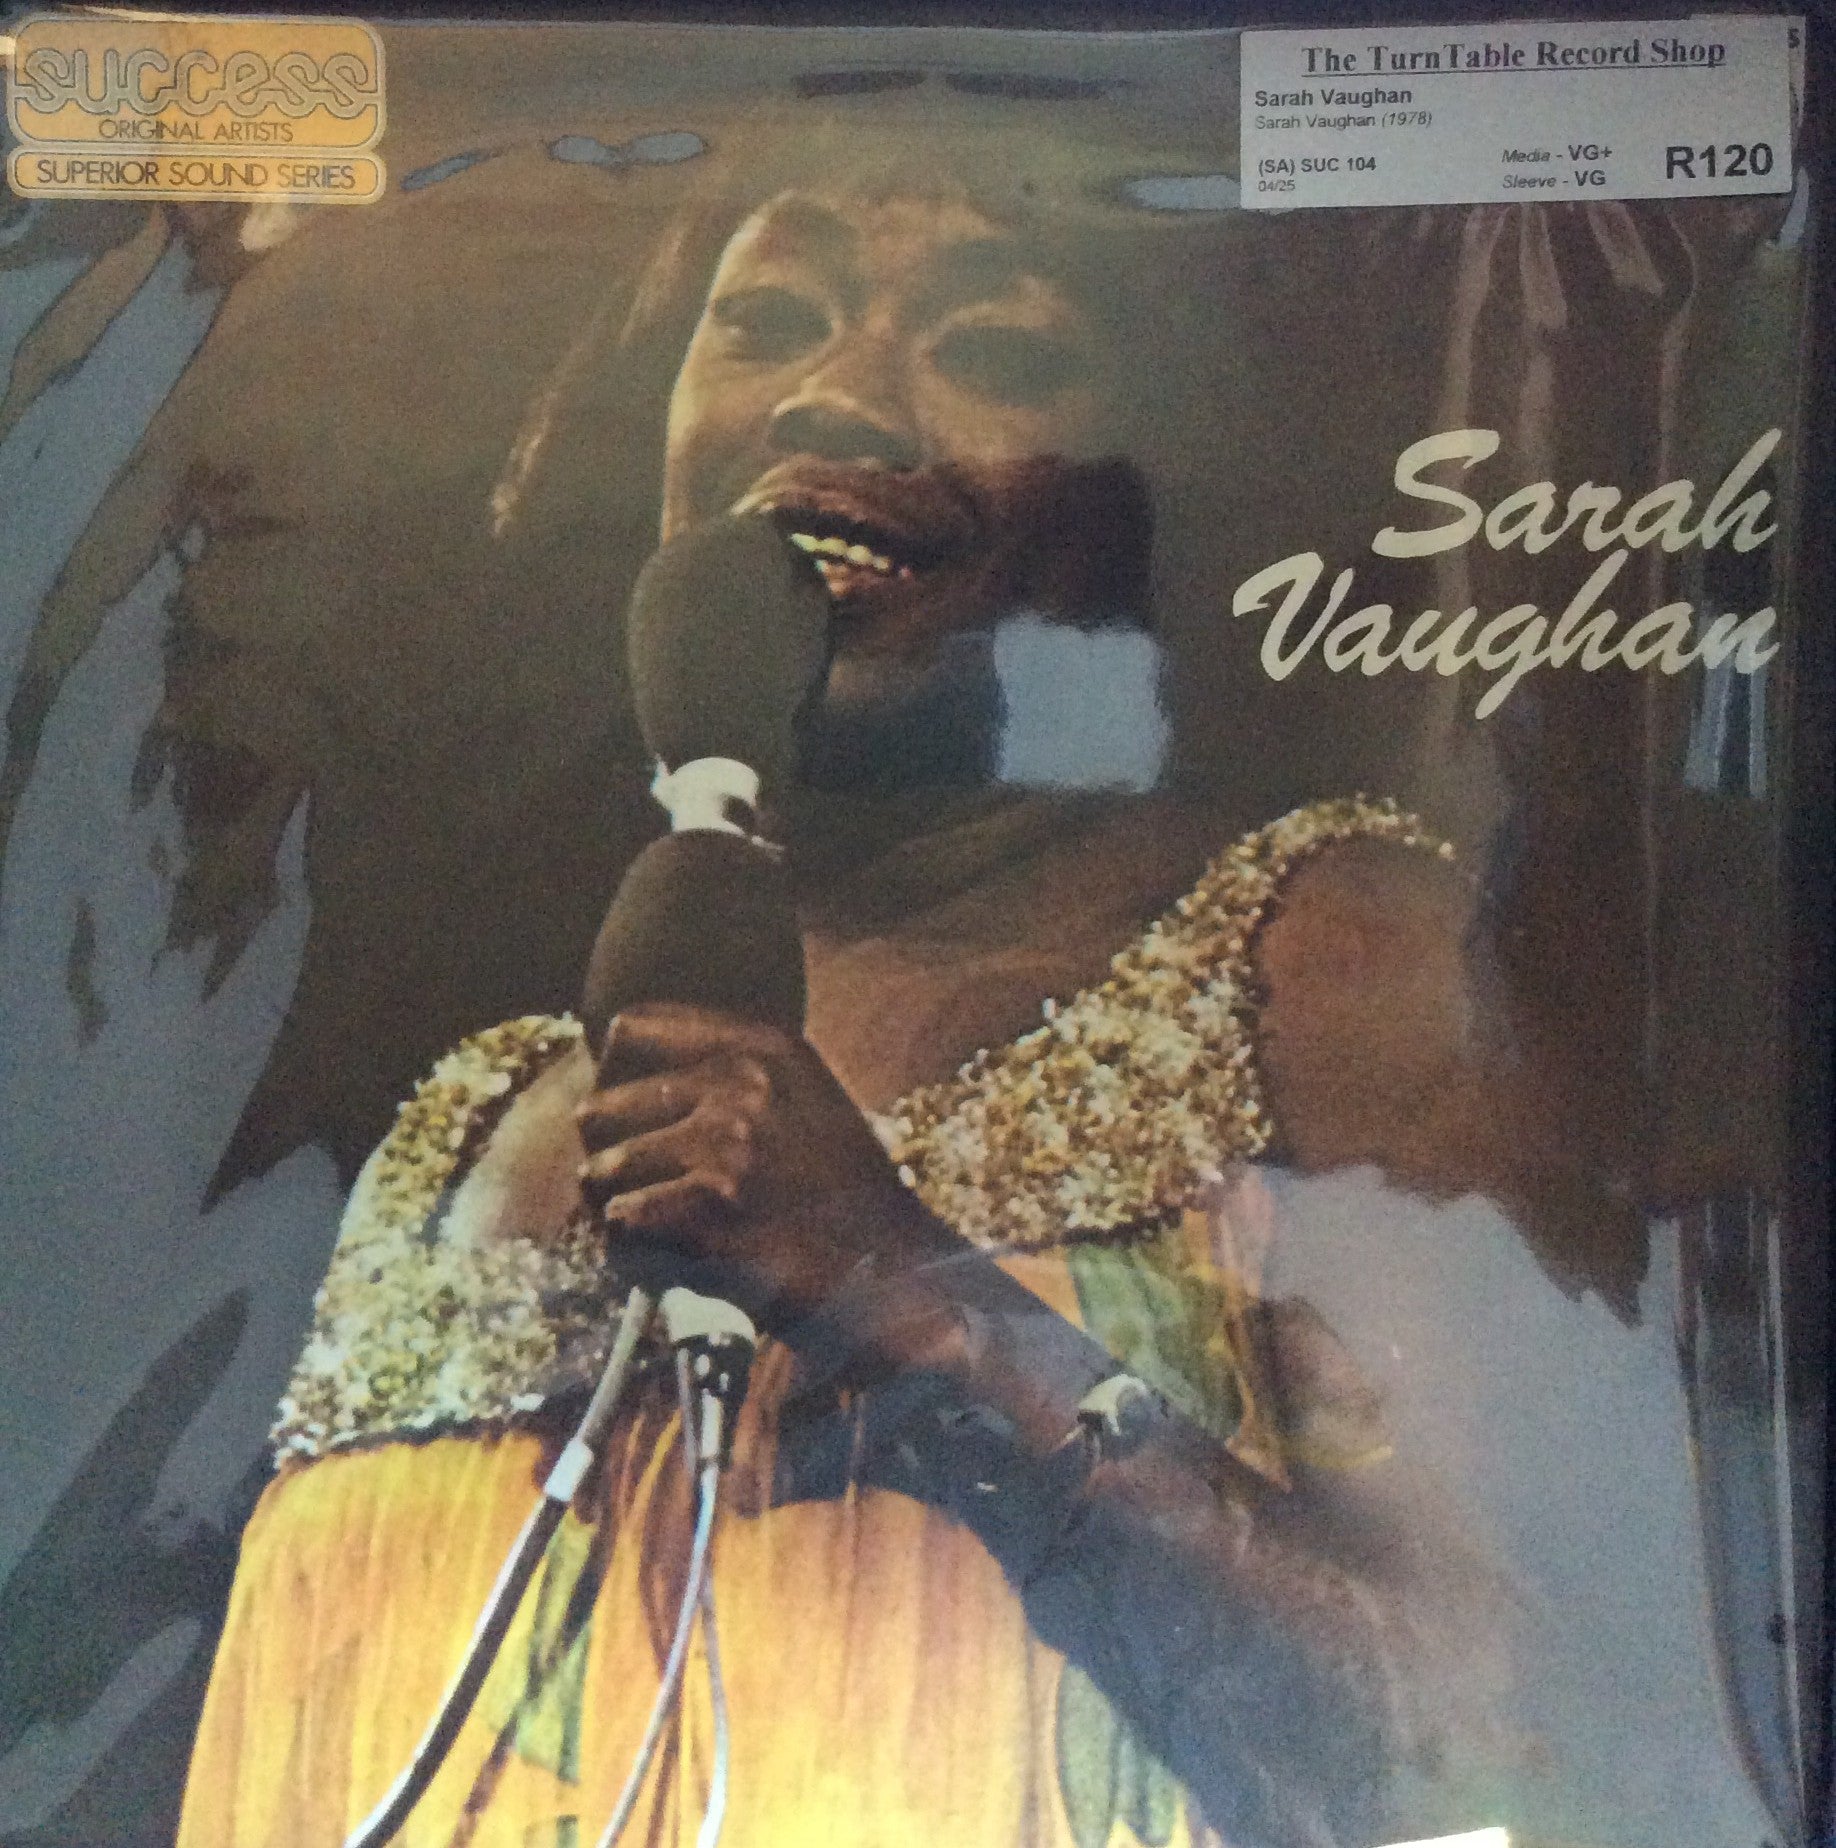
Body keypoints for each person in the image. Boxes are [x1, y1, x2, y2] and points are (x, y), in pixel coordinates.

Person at [176, 181, 1515, 1848]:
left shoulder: (1323, 958)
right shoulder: (469, 1113)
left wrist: (916, 1302)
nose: (839, 395)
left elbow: (1480, 1738)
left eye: (992, 346)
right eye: (768, 321)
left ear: (1149, 496)